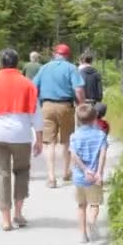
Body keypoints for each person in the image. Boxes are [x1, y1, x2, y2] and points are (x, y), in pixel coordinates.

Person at [0, 48, 43, 231]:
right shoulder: (28, 85)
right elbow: (36, 114)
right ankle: (18, 214)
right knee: (21, 171)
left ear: (0, 63)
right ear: (17, 63)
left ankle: (6, 220)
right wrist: (40, 138)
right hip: (21, 135)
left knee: (2, 173)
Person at [33, 44, 85, 188]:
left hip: (47, 106)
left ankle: (51, 177)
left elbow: (33, 87)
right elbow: (79, 89)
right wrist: (82, 105)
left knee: (49, 143)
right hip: (65, 106)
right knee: (66, 140)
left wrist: (37, 104)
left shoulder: (44, 68)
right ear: (67, 55)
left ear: (54, 54)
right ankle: (66, 172)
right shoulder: (71, 68)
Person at [69, 104, 108, 243]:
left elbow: (73, 156)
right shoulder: (101, 135)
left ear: (78, 120)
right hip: (95, 178)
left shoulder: (74, 136)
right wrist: (99, 172)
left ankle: (83, 234)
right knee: (95, 204)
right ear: (94, 119)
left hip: (80, 177)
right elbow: (103, 155)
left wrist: (85, 170)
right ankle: (91, 220)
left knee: (81, 206)